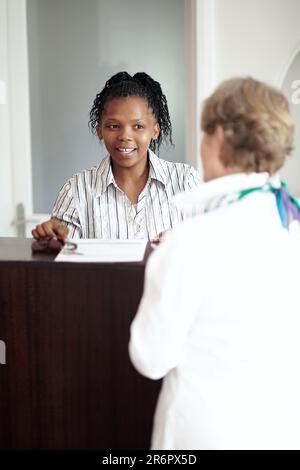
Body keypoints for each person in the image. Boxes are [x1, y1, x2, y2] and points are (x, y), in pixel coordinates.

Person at [129, 77, 300, 450]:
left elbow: (150, 356)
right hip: (281, 431)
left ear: (219, 136)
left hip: (203, 432)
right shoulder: (292, 225)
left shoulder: (191, 241)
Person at [32, 72, 201, 242]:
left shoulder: (185, 181)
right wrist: (51, 238)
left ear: (154, 131)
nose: (125, 136)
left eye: (138, 126)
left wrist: (183, 241)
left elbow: (214, 242)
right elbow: (62, 251)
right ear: (100, 130)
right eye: (113, 126)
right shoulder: (77, 190)